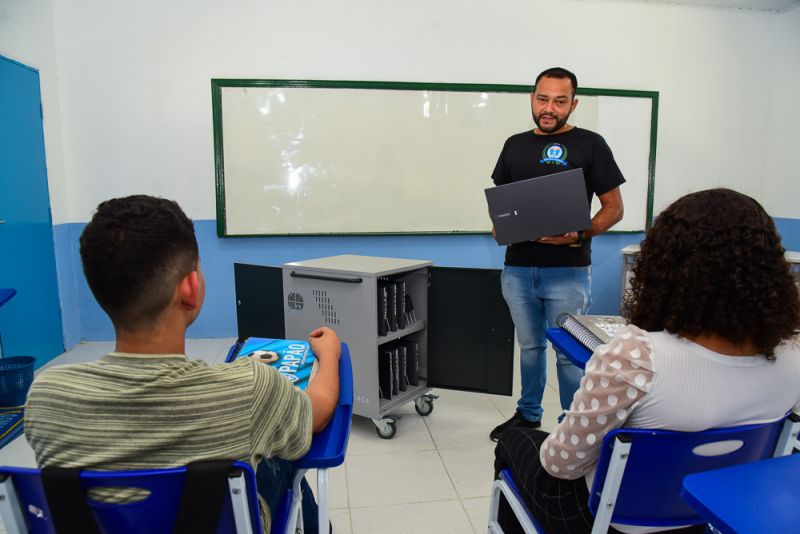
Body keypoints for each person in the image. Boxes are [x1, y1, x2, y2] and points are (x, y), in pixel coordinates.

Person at [24, 195, 341, 534]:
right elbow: (317, 414)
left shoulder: (46, 398)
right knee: (276, 452)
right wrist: (330, 354)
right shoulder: (250, 390)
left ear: (99, 290)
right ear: (191, 288)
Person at [493, 188, 800, 533]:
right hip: (705, 514)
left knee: (516, 441)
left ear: (667, 267)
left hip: (612, 521)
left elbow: (560, 464)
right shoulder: (792, 356)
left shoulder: (637, 357)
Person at [489, 67, 625, 441]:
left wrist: (581, 233)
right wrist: (500, 226)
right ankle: (529, 414)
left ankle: (572, 422)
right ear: (533, 98)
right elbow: (502, 203)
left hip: (567, 270)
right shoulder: (514, 145)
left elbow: (614, 207)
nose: (549, 108)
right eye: (543, 99)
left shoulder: (591, 144)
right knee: (530, 348)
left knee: (568, 353)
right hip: (517, 268)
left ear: (573, 104)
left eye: (560, 101)